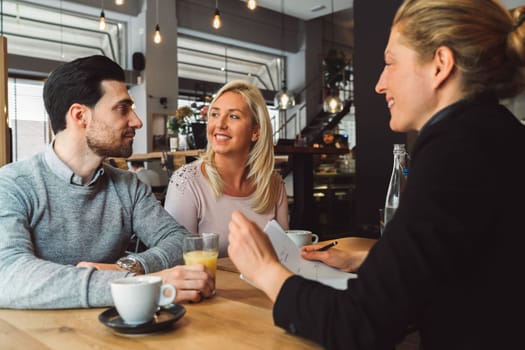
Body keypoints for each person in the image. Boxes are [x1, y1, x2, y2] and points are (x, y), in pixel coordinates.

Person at [227, 1, 525, 349]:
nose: (379, 85)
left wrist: (266, 270)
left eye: (389, 63)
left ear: (440, 65)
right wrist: (376, 260)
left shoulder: (454, 150)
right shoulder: (499, 132)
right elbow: (475, 264)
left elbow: (357, 324)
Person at [0, 55, 214, 309]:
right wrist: (144, 285)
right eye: (123, 108)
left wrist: (130, 267)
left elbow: (178, 240)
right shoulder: (12, 184)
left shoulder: (128, 186)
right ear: (80, 116)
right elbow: (8, 274)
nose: (137, 121)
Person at [164, 80, 288, 257]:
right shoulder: (186, 182)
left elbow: (284, 254)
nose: (220, 124)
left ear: (255, 132)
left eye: (234, 116)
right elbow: (176, 258)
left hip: (265, 284)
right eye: (214, 114)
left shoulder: (273, 183)